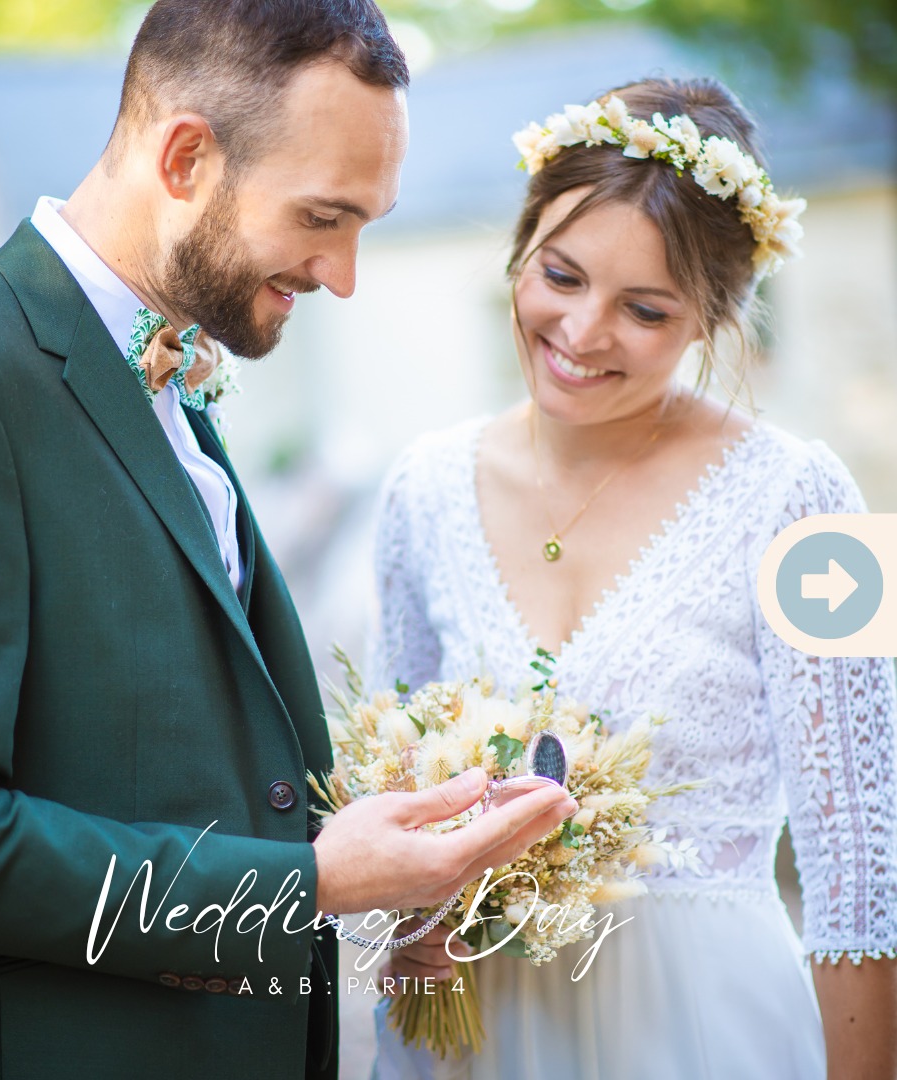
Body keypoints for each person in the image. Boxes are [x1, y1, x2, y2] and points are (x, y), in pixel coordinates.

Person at [0, 3, 578, 1077]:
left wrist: (381, 844)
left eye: (366, 223)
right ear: (185, 157)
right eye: (323, 216)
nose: (343, 272)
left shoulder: (173, 368)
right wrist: (309, 886)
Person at [369, 77, 897, 1079]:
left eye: (644, 309)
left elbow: (866, 867)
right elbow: (398, 802)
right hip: (476, 1035)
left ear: (711, 317)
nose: (581, 332)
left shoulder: (813, 498)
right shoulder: (419, 489)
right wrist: (414, 928)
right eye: (560, 275)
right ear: (522, 245)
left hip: (705, 1031)